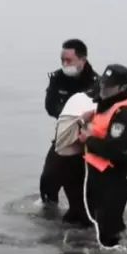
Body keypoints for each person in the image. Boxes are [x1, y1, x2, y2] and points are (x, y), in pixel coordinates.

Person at [79, 64, 127, 248]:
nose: (103, 90)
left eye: (109, 87)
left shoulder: (125, 113)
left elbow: (116, 150)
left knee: (107, 222)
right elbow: (104, 117)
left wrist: (88, 140)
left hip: (121, 171)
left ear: (122, 88)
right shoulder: (108, 102)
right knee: (95, 211)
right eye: (103, 84)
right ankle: (115, 238)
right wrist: (92, 114)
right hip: (101, 168)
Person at [40, 39, 98, 219]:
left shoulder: (97, 82)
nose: (65, 64)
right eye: (62, 60)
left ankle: (85, 217)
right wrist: (68, 115)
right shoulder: (57, 78)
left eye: (69, 60)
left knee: (80, 187)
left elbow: (105, 110)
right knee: (48, 179)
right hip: (64, 135)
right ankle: (49, 212)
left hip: (87, 139)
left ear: (83, 59)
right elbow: (50, 106)